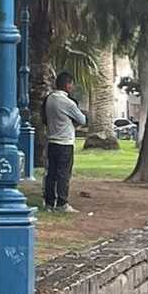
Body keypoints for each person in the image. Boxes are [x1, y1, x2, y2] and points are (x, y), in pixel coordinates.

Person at [44, 72, 87, 212]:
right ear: (67, 85)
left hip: (51, 140)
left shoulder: (49, 99)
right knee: (63, 174)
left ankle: (49, 202)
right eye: (72, 84)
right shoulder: (67, 102)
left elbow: (44, 118)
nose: (73, 87)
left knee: (51, 173)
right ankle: (62, 203)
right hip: (65, 142)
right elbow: (82, 119)